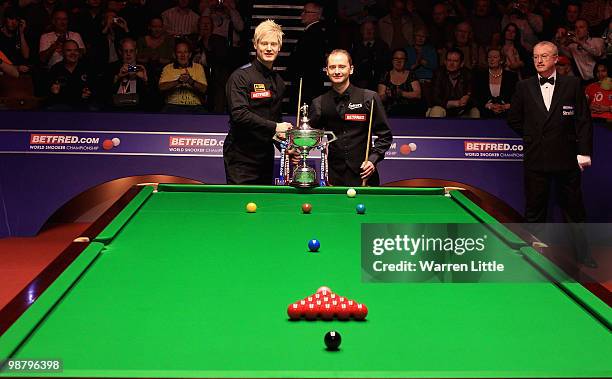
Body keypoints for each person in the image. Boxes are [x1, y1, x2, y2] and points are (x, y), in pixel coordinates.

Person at [507, 41, 595, 267]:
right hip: (536, 157)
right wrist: (532, 137)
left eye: (544, 56)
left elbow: (583, 121)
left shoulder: (573, 84)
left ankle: (583, 254)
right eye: (536, 56)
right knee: (535, 209)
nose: (539, 60)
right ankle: (531, 256)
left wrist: (584, 151)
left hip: (566, 157)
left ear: (556, 59)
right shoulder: (523, 86)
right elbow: (514, 119)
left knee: (574, 209)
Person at [309, 49, 393, 187]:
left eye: (341, 66)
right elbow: (308, 135)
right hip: (334, 177)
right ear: (327, 71)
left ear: (351, 69)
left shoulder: (369, 98)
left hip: (364, 174)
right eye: (332, 67)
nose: (337, 71)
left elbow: (385, 136)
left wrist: (372, 160)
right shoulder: (319, 103)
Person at [223, 19, 292, 185]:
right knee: (240, 206)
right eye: (264, 43)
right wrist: (275, 127)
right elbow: (239, 115)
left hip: (265, 157)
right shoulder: (240, 77)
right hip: (241, 157)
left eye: (273, 44)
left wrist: (284, 144)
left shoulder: (279, 82)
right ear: (255, 45)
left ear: (279, 47)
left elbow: (274, 120)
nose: (269, 48)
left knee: (262, 206)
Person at [287, 2, 326, 109]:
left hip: (306, 84)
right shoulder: (312, 32)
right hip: (305, 82)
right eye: (303, 11)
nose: (302, 14)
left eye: (306, 12)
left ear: (317, 14)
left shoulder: (314, 33)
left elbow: (305, 61)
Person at [428, 48, 479, 118]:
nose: (451, 64)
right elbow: (434, 98)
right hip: (443, 108)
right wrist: (454, 103)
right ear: (445, 62)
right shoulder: (438, 74)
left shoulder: (468, 74)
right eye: (449, 60)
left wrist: (468, 99)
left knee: (475, 111)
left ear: (461, 64)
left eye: (455, 61)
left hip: (462, 109)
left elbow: (475, 98)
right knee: (436, 110)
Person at [159, 39, 207, 113]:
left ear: (190, 54)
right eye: (179, 52)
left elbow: (204, 89)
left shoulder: (198, 67)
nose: (182, 55)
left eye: (185, 52)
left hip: (195, 107)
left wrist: (190, 81)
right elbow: (161, 87)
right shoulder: (168, 68)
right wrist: (178, 81)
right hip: (172, 105)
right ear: (174, 55)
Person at [46, 39, 94, 110]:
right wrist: (52, 91)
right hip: (62, 105)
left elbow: (94, 89)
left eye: (76, 50)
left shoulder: (87, 68)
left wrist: (89, 93)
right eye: (69, 50)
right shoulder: (56, 69)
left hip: (84, 105)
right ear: (62, 53)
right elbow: (51, 92)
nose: (73, 53)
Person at [378, 48, 424, 117]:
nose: (399, 61)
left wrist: (402, 93)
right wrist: (386, 95)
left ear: (405, 61)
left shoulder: (411, 74)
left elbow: (418, 94)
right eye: (396, 59)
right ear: (392, 60)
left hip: (409, 110)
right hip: (390, 111)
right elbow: (380, 97)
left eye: (402, 59)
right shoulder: (385, 75)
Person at [474, 47, 518, 118]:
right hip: (486, 112)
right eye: (489, 57)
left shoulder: (511, 76)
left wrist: (506, 106)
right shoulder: (480, 76)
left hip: (507, 112)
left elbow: (517, 96)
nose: (491, 60)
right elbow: (476, 97)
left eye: (495, 57)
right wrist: (488, 106)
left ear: (501, 60)